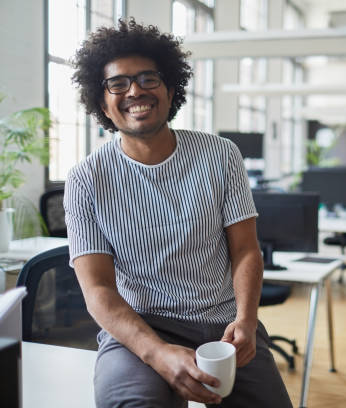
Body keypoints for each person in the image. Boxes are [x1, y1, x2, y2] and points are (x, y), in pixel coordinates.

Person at [65, 19, 292, 408]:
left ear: (171, 88)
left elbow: (245, 250)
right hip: (139, 325)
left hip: (223, 324)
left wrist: (247, 320)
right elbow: (98, 289)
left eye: (148, 78)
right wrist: (157, 354)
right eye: (118, 83)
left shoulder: (220, 155)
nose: (135, 90)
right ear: (102, 102)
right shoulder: (86, 179)